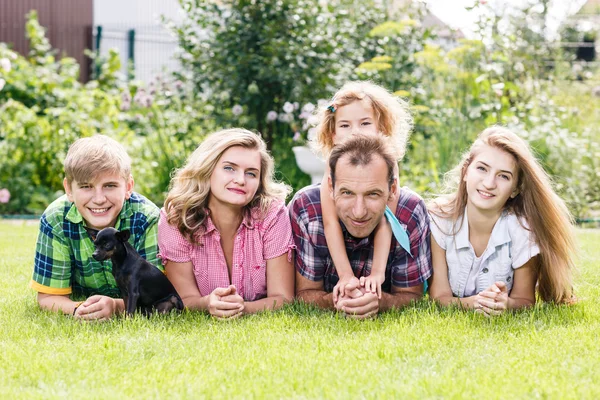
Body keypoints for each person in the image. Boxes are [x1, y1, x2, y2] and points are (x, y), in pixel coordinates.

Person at [428, 127, 576, 316]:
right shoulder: (440, 219)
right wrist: (474, 303)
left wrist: (505, 304)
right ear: (465, 172)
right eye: (482, 168)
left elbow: (525, 300)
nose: (489, 183)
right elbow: (439, 297)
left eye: (504, 176)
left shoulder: (523, 230)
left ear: (515, 189)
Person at [290, 134, 432, 319]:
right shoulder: (307, 209)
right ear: (331, 187)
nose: (359, 212)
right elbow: (304, 294)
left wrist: (380, 302)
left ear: (393, 189)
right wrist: (337, 300)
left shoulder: (410, 212)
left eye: (372, 194)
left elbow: (413, 296)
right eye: (347, 193)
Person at [158, 128, 295, 318]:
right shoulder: (175, 219)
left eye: (251, 173)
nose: (240, 180)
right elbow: (185, 299)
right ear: (208, 170)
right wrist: (207, 303)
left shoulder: (272, 215)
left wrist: (244, 308)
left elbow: (283, 298)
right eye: (229, 168)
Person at [30, 135, 160, 320]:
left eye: (109, 185)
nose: (99, 198)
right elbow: (49, 297)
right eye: (86, 186)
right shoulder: (56, 219)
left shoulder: (146, 218)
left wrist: (115, 306)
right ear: (69, 189)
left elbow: (156, 294)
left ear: (128, 186)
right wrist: (80, 309)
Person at [312, 81, 413, 302]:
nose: (355, 132)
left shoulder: (388, 163)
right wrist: (346, 275)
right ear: (333, 134)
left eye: (364, 123)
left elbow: (387, 221)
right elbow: (330, 223)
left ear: (382, 128)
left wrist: (377, 273)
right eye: (345, 125)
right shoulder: (333, 165)